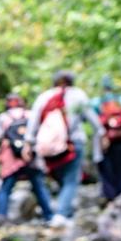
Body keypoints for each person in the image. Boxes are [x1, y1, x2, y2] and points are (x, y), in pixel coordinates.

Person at [23, 70, 105, 226]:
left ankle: (60, 211)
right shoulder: (78, 95)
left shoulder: (44, 96)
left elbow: (33, 120)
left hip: (47, 147)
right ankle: (61, 214)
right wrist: (101, 134)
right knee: (71, 180)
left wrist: (28, 143)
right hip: (73, 143)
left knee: (59, 177)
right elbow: (93, 120)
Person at [0, 93, 53, 223]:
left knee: (5, 189)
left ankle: (1, 216)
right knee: (39, 187)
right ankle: (49, 216)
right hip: (31, 157)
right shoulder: (31, 115)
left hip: (11, 160)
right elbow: (41, 133)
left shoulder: (2, 118)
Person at [92, 75, 121, 200]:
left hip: (105, 143)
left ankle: (110, 198)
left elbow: (93, 122)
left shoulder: (97, 102)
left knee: (107, 171)